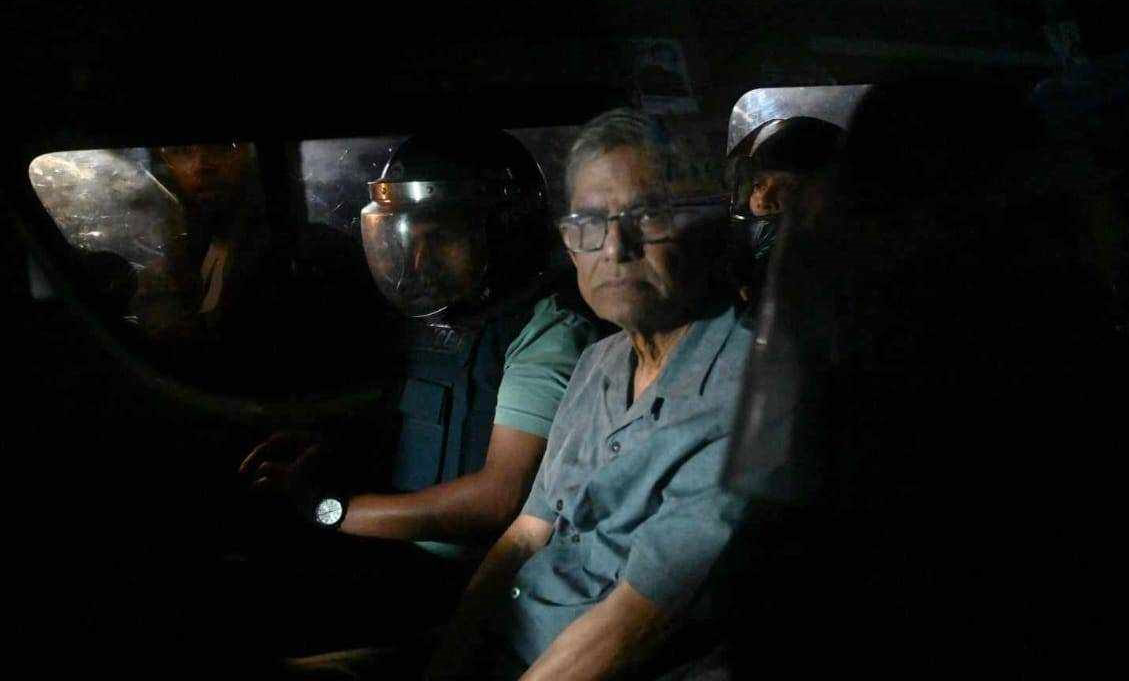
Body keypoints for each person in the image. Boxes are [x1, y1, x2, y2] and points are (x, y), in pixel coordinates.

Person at [235, 128, 599, 653]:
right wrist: (326, 451)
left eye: (442, 238)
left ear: (503, 231)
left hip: (468, 575)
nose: (420, 260)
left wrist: (331, 509)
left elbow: (497, 499)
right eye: (412, 238)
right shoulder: (441, 314)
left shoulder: (549, 328)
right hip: (400, 551)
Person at [425, 108, 755, 680]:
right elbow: (525, 535)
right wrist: (446, 663)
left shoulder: (751, 390)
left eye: (649, 215)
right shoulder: (598, 361)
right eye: (589, 221)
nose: (615, 247)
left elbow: (633, 622)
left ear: (710, 229)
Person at [723, 116, 844, 301]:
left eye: (787, 187)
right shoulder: (735, 240)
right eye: (758, 184)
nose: (763, 200)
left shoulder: (826, 260)